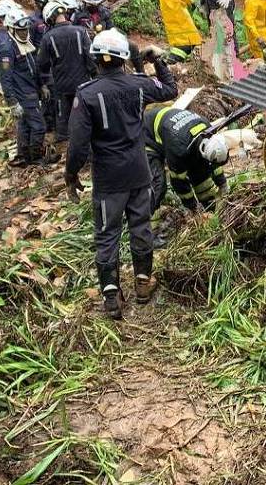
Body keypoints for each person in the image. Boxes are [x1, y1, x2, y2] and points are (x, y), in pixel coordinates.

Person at [64, 30, 178, 318]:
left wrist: (71, 175)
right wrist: (157, 60)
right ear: (124, 59)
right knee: (141, 226)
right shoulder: (138, 85)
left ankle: (111, 295)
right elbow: (169, 89)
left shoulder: (87, 94)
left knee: (107, 235)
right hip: (139, 173)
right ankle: (142, 283)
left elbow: (77, 144)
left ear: (96, 60)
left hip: (108, 180)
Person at [143, 104, 229, 226]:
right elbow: (179, 182)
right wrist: (193, 208)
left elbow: (213, 164)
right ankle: (149, 232)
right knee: (158, 185)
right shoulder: (179, 148)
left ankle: (209, 205)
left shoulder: (208, 130)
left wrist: (223, 184)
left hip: (171, 131)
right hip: (147, 135)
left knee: (200, 170)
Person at [0, 9, 56, 168]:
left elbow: (32, 67)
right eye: (20, 30)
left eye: (25, 30)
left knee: (24, 126)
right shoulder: (7, 48)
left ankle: (24, 156)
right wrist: (12, 102)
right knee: (39, 126)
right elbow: (5, 78)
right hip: (23, 95)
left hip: (31, 90)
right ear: (11, 29)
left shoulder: (23, 42)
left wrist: (41, 85)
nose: (24, 33)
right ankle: (35, 158)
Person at [37, 0, 95, 143]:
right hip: (83, 83)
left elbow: (42, 65)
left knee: (62, 122)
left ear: (49, 18)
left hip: (61, 86)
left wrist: (43, 83)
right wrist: (94, 76)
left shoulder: (47, 38)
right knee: (84, 116)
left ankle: (64, 148)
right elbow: (91, 58)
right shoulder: (81, 31)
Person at [30, 0, 57, 132]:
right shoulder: (33, 21)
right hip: (41, 64)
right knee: (46, 96)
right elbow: (30, 46)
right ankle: (47, 126)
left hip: (54, 62)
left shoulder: (52, 19)